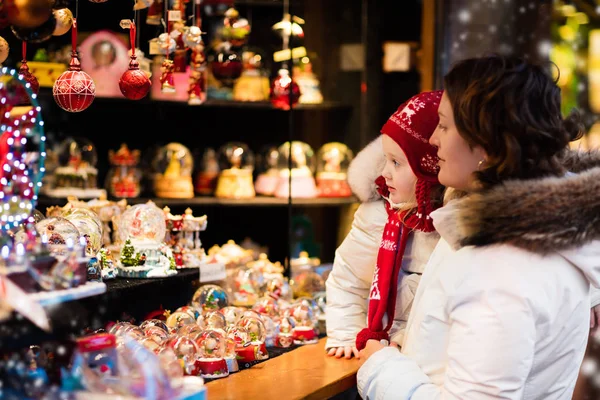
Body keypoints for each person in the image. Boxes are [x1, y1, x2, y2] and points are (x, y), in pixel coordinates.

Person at [357, 54, 600, 399]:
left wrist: (382, 367)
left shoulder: (502, 268)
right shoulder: (530, 232)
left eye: (443, 125)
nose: (435, 140)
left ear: (484, 141)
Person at [325, 91, 444, 359]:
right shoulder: (377, 216)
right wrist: (346, 335)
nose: (384, 173)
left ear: (429, 169)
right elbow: (347, 280)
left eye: (397, 163)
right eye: (385, 160)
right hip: (374, 356)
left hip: (421, 361)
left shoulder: (450, 228)